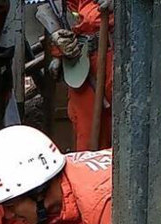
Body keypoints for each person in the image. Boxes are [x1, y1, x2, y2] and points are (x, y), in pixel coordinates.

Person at [49, 0, 114, 150]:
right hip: (84, 63)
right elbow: (75, 20)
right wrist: (59, 50)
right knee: (88, 142)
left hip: (122, 55)